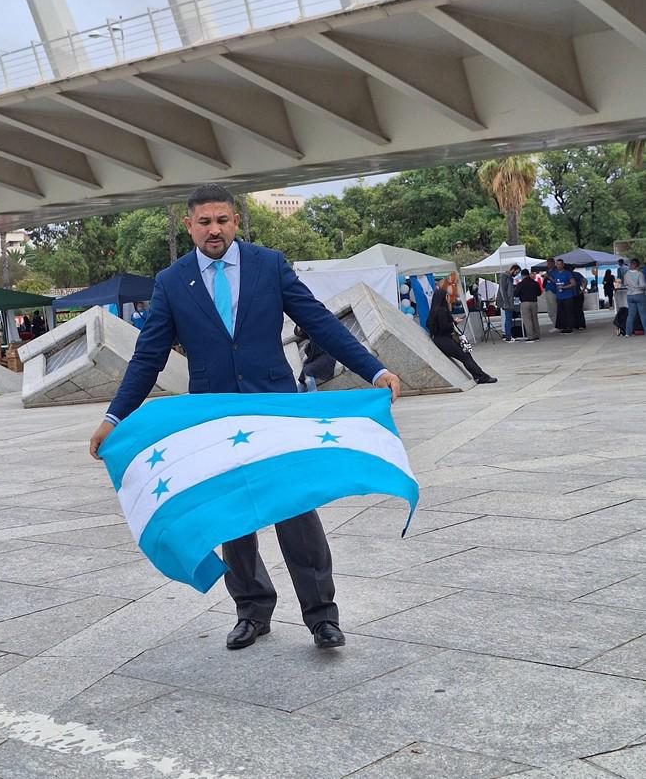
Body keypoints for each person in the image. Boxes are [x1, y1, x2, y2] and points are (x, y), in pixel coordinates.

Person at [89, 184, 400, 652]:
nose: (215, 230)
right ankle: (252, 611)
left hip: (272, 411)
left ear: (235, 221)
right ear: (188, 225)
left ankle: (322, 618)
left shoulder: (268, 264)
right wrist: (115, 417)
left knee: (297, 512)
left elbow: (318, 322)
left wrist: (373, 368)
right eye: (205, 222)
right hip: (214, 420)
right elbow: (147, 357)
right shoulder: (172, 283)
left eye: (223, 220)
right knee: (233, 519)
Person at [426, 289, 496, 384]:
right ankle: (481, 377)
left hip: (440, 339)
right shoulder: (442, 310)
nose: (448, 298)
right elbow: (444, 327)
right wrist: (454, 322)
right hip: (445, 340)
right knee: (465, 357)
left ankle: (480, 375)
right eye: (447, 296)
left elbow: (429, 324)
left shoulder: (434, 310)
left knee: (466, 355)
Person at [294, 325, 337, 390]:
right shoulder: (310, 330)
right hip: (317, 357)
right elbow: (300, 333)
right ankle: (296, 397)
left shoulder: (320, 326)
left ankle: (314, 395)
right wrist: (298, 323)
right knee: (302, 378)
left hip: (327, 356)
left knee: (308, 370)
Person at [548, 258, 576, 333]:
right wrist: (551, 279)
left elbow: (573, 283)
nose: (558, 266)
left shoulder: (567, 273)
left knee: (568, 312)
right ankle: (563, 327)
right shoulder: (555, 273)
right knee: (561, 312)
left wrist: (564, 287)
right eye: (557, 264)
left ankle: (570, 327)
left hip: (568, 296)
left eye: (560, 264)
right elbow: (550, 276)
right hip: (559, 296)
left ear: (563, 265)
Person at [496, 264, 520, 343]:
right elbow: (503, 290)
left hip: (509, 302)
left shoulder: (509, 278)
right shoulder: (504, 276)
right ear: (513, 269)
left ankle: (508, 335)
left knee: (508, 319)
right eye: (516, 272)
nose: (516, 274)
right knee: (508, 319)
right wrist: (506, 302)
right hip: (507, 302)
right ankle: (508, 337)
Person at [515, 269, 541, 341]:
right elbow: (539, 293)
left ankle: (531, 336)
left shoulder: (520, 284)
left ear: (522, 275)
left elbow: (516, 294)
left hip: (525, 303)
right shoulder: (535, 283)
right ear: (528, 274)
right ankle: (537, 335)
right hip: (534, 302)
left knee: (527, 320)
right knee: (535, 319)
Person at [624, 258, 646, 337]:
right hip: (639, 295)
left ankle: (628, 333)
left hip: (630, 296)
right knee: (643, 314)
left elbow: (625, 284)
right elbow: (642, 285)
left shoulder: (626, 274)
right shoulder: (639, 274)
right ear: (638, 265)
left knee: (631, 315)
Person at [541, 258, 558, 332]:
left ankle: (557, 325)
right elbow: (544, 283)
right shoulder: (548, 271)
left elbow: (556, 281)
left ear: (553, 263)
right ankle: (555, 324)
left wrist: (548, 277)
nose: (548, 265)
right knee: (549, 310)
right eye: (547, 264)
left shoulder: (555, 271)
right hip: (547, 290)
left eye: (549, 263)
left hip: (553, 291)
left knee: (554, 309)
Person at [570, 265, 587, 330]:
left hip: (576, 293)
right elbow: (585, 280)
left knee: (577, 310)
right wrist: (583, 289)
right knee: (578, 310)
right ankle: (579, 324)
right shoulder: (577, 274)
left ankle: (578, 324)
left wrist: (583, 290)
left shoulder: (575, 274)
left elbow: (585, 280)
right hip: (576, 293)